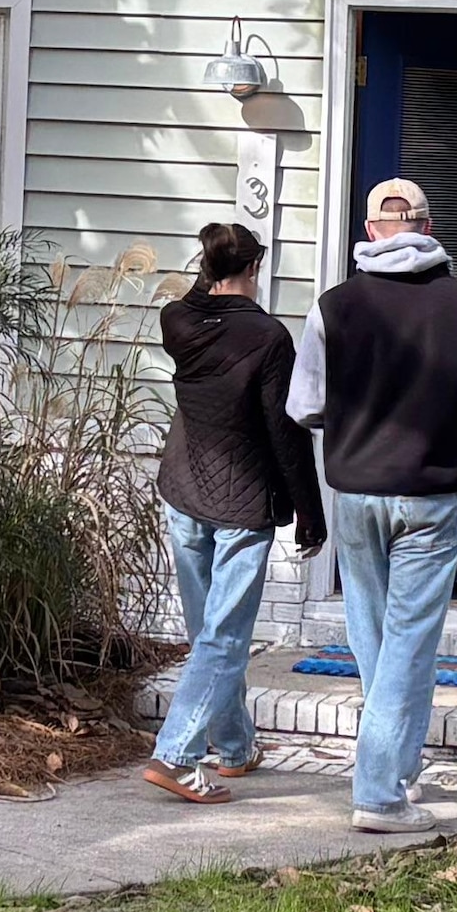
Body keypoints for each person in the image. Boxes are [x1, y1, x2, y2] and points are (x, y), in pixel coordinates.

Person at [287, 174, 457, 835]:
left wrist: (358, 410)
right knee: (409, 642)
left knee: (377, 639)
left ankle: (397, 767)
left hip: (356, 491)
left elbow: (304, 406)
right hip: (432, 495)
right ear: (427, 227)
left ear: (370, 231)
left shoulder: (332, 307)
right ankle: (380, 794)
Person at [142, 220, 324, 802]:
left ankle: (236, 745)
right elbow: (285, 433)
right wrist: (310, 513)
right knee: (223, 638)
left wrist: (214, 274)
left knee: (209, 633)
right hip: (242, 502)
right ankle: (176, 756)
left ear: (207, 268)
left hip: (185, 491)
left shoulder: (178, 320)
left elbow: (200, 299)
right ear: (253, 269)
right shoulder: (268, 337)